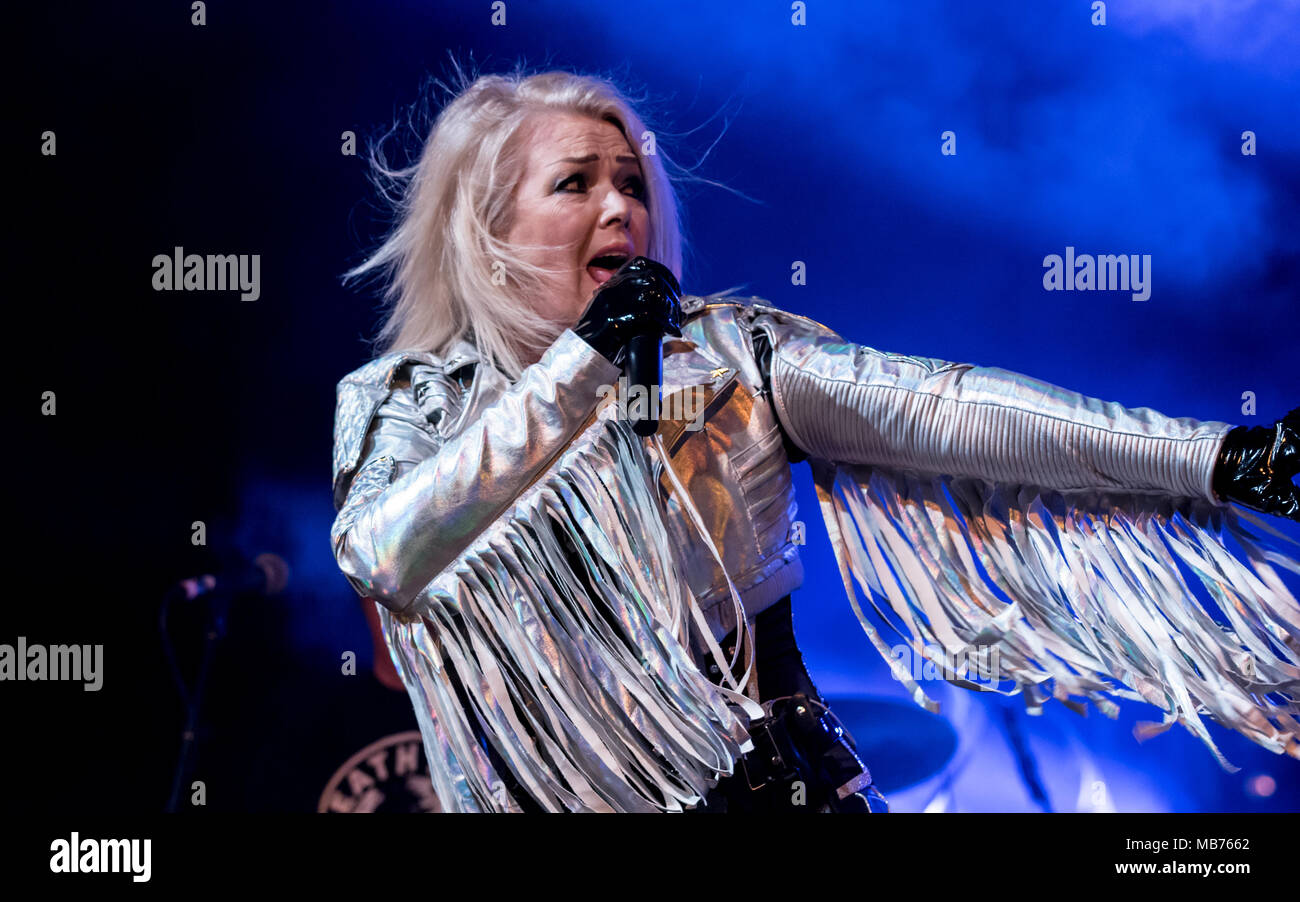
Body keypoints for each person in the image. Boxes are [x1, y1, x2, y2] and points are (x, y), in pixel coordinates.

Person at [330, 67, 1300, 813]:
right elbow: (385, 552)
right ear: (489, 227)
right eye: (574, 183)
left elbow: (954, 411)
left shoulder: (723, 353)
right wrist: (580, 370)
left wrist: (1222, 456)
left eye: (630, 180)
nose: (620, 204)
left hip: (771, 787)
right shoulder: (405, 399)